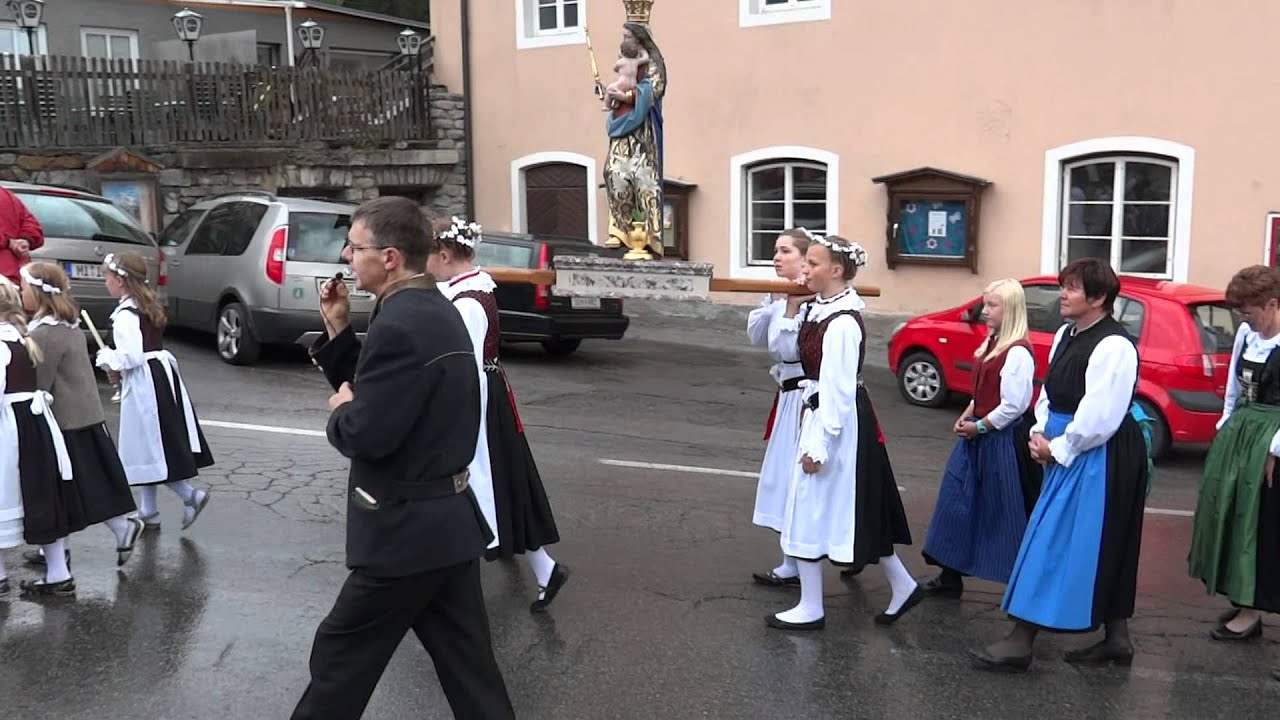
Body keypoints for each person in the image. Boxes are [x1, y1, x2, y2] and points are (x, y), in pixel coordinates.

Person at [291, 197, 514, 720]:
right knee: (471, 673)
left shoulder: (402, 322)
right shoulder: (432, 307)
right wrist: (340, 330)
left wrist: (342, 412)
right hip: (446, 527)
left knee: (339, 659)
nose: (347, 256)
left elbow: (369, 431)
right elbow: (395, 394)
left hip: (405, 533)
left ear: (390, 257)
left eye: (356, 245)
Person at [970, 258, 1148, 671]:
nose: (1062, 294)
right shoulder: (1069, 333)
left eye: (1071, 288)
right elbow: (1051, 391)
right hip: (1068, 443)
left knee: (1057, 539)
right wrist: (1040, 430)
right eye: (1063, 285)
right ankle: (1117, 639)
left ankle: (1021, 640)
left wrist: (1061, 447)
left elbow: (1102, 414)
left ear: (1099, 298)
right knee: (1099, 540)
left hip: (1100, 453)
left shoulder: (1114, 345)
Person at [768, 233, 921, 631]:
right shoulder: (819, 310)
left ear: (836, 271)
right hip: (820, 412)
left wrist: (818, 445)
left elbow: (836, 390)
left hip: (836, 422)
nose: (805, 269)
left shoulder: (842, 324)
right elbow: (791, 356)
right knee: (847, 509)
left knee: (813, 506)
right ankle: (900, 585)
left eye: (813, 263)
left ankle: (812, 606)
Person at [429, 215, 569, 612]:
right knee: (503, 482)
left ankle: (454, 585)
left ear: (443, 255)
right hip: (489, 394)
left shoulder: (468, 302)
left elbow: (464, 366)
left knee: (478, 482)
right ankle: (544, 569)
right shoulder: (471, 288)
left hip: (479, 399)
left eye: (428, 256)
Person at [21, 262, 145, 570]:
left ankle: (59, 552)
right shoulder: (69, 324)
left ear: (37, 293)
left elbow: (39, 384)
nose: (21, 292)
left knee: (65, 490)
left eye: (24, 287)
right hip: (85, 415)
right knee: (89, 484)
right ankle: (102, 533)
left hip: (65, 422)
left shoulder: (46, 333)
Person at [921, 278, 1040, 597]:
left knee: (1004, 510)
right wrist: (969, 412)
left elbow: (1014, 406)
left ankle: (1023, 584)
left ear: (1011, 309)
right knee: (956, 501)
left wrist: (981, 426)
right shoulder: (993, 342)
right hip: (978, 434)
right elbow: (986, 390)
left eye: (992, 305)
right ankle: (949, 575)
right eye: (985, 304)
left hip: (1000, 443)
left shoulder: (1017, 353)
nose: (984, 311)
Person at [1188, 265, 1280, 642]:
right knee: (1232, 514)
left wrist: (1275, 450)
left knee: (1261, 524)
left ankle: (1255, 604)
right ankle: (1246, 601)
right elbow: (1233, 387)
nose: (1245, 319)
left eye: (1250, 312)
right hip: (1243, 430)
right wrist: (1225, 425)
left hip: (1272, 436)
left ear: (1272, 304)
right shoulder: (1247, 334)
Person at [94, 251, 212, 531]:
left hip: (145, 383)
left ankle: (190, 495)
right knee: (145, 447)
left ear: (120, 281)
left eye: (107, 278)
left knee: (150, 445)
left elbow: (132, 356)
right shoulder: (145, 304)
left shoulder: (125, 314)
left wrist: (107, 358)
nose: (106, 283)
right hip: (158, 376)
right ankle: (149, 511)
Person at [0, 276, 76, 596]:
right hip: (35, 425)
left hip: (11, 429)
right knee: (40, 495)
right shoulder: (21, 338)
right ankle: (58, 572)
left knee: (6, 495)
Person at [748, 228, 813, 587]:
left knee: (801, 478)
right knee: (784, 479)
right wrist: (774, 302)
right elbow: (758, 336)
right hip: (787, 396)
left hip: (805, 397)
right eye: (775, 250)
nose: (776, 257)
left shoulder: (808, 298)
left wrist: (788, 307)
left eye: (785, 251)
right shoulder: (779, 293)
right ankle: (791, 560)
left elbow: (787, 348)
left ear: (804, 259)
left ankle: (811, 559)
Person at [603, 21, 667, 256]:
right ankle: (620, 230)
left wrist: (627, 95)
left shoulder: (654, 63)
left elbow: (654, 89)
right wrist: (611, 95)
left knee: (645, 181)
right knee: (613, 172)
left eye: (627, 35)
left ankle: (649, 235)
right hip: (621, 127)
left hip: (643, 134)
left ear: (639, 38)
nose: (624, 39)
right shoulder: (624, 58)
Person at [0, 184, 42, 286]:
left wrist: (11, 242)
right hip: (17, 277)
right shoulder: (7, 195)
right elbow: (33, 226)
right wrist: (25, 241)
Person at [603, 36, 650, 110]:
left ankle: (607, 106)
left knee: (610, 89)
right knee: (617, 90)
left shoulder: (620, 62)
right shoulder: (636, 61)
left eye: (627, 36)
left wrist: (619, 59)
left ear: (622, 52)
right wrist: (642, 50)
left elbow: (615, 69)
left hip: (623, 83)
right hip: (633, 85)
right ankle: (617, 103)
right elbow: (646, 58)